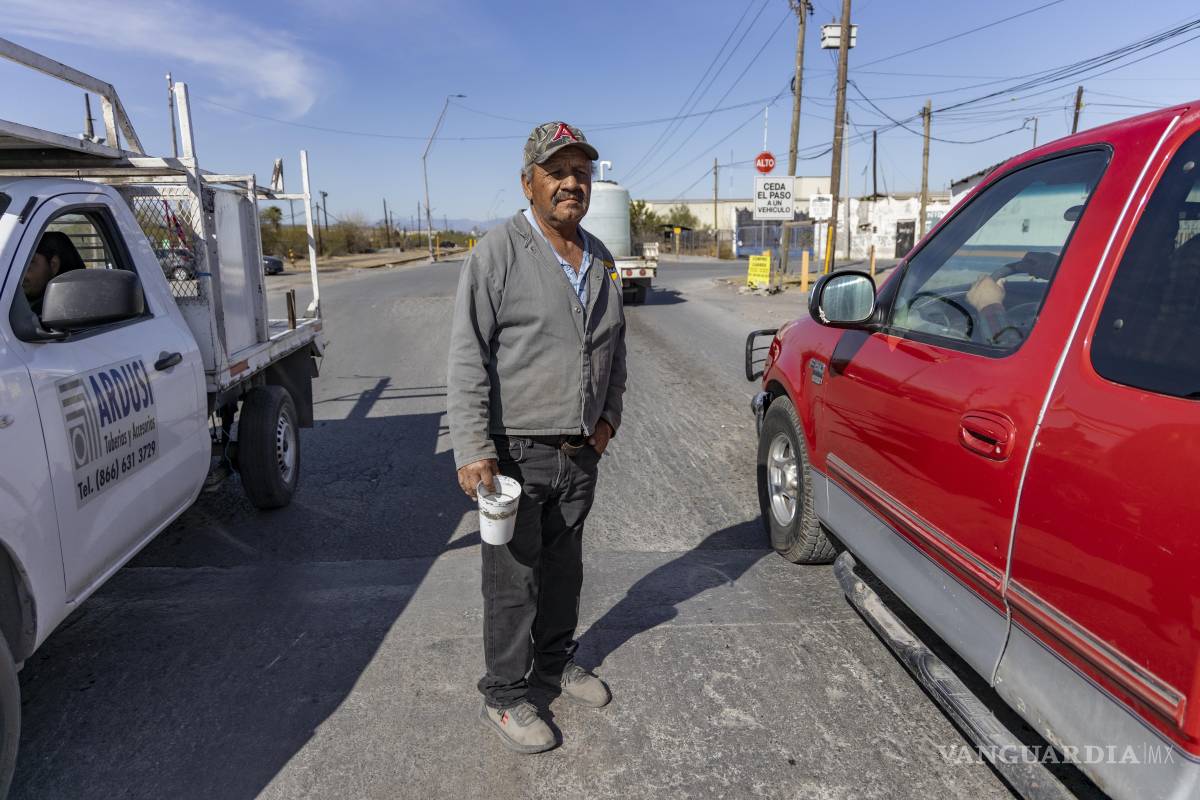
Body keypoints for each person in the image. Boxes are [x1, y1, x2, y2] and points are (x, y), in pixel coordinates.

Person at [447, 121, 627, 754]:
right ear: (529, 182)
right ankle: (503, 694)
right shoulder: (498, 253)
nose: (571, 182)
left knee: (564, 572)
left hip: (580, 451)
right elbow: (467, 355)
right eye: (557, 171)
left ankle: (552, 665)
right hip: (515, 452)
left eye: (580, 171)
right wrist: (474, 448)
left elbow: (615, 350)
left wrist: (608, 421)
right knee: (512, 581)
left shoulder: (601, 258)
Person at [22, 231, 86, 314]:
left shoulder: (68, 311)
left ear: (53, 265)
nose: (21, 273)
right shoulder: (19, 303)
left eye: (29, 263)